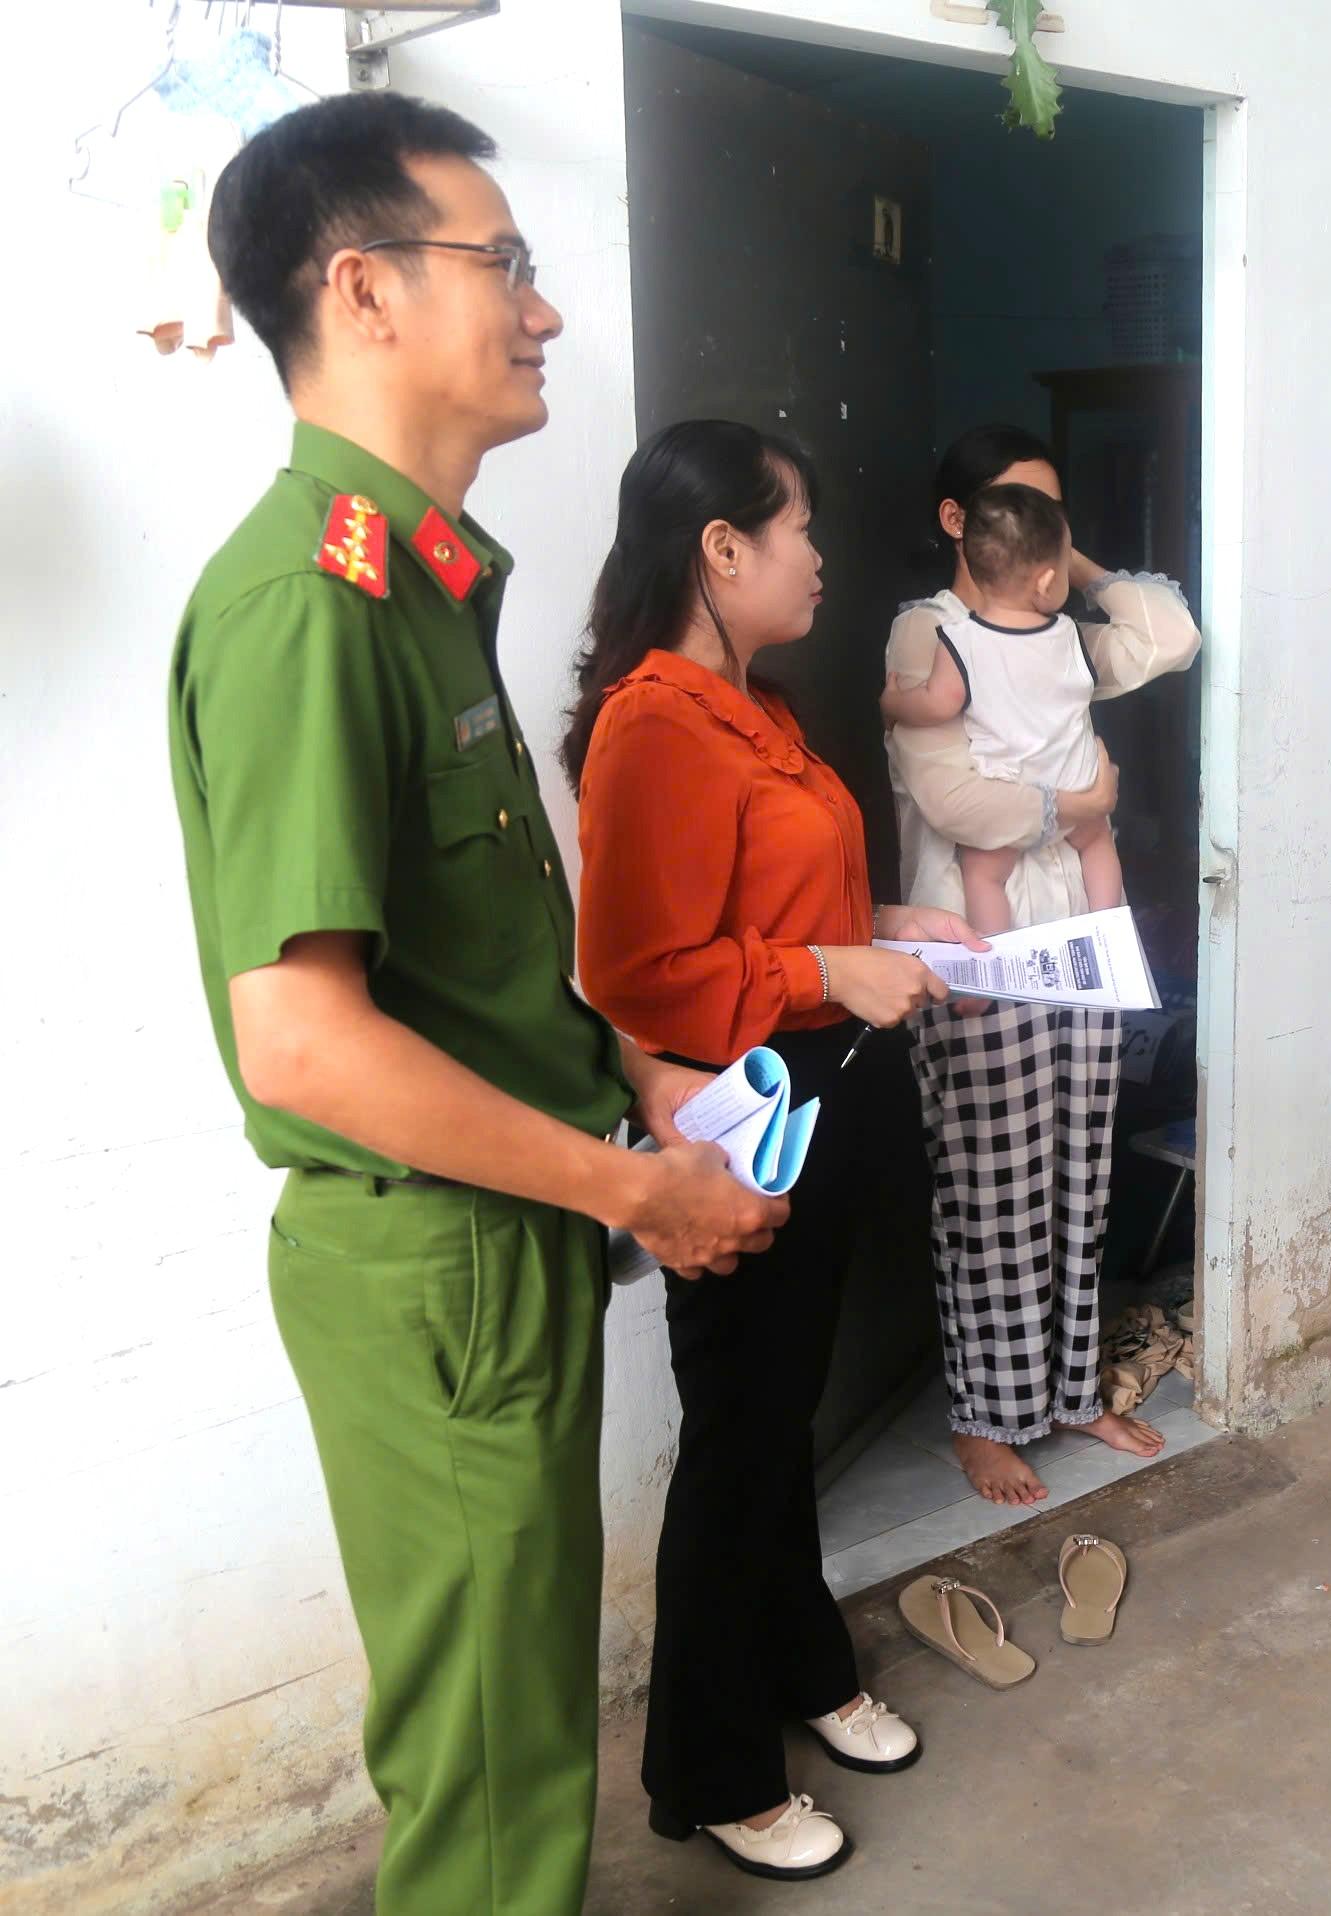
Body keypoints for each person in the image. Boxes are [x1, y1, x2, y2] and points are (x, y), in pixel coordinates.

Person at [168, 96, 784, 1916]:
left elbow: (466, 954)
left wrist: (634, 1078)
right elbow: (303, 1040)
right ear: (363, 290)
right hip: (437, 1254)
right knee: (494, 1776)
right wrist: (635, 1192)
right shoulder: (309, 606)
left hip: (498, 1225)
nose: (545, 309)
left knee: (521, 1726)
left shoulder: (423, 581)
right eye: (502, 263)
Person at [570, 420, 992, 1880]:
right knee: (740, 1441)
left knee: (778, 1421)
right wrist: (828, 970)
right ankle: (713, 1769)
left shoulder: (757, 707)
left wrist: (887, 928)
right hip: (741, 1115)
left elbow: (768, 907)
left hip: (828, 1093)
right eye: (797, 525)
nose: (819, 554)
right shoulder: (655, 723)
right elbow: (638, 971)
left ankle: (806, 1667)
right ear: (721, 547)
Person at [884, 424, 1202, 1505]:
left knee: (1077, 1171)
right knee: (992, 1190)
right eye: (1020, 509)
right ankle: (987, 1414)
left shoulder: (1059, 631)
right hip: (976, 950)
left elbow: (1168, 634)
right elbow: (955, 801)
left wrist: (1074, 568)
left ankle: (1067, 1390)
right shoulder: (928, 632)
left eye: (1054, 516)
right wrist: (1082, 804)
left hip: (1077, 942)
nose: (1043, 534)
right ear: (956, 520)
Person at [879, 482, 1123, 933]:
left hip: (1015, 788)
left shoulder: (960, 640)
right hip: (1076, 779)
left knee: (982, 874)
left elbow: (937, 704)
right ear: (1047, 581)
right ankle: (1107, 934)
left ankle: (991, 958)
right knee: (1097, 845)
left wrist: (894, 701)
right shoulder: (1069, 633)